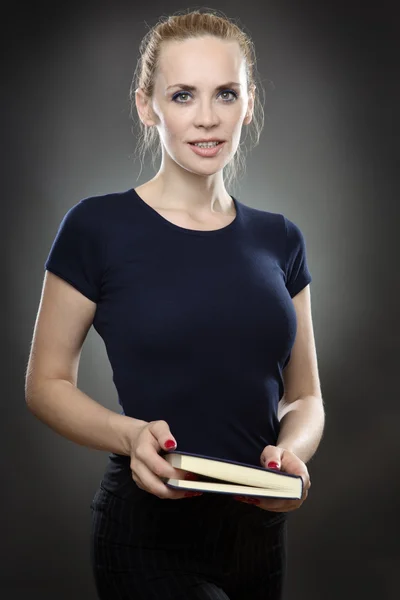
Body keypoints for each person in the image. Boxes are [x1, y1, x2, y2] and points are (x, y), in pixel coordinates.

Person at [25, 8, 325, 600]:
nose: (208, 118)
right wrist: (129, 435)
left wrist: (288, 458)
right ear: (147, 105)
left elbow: (306, 395)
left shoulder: (281, 238)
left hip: (259, 537)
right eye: (183, 95)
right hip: (146, 532)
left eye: (226, 94)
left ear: (248, 102)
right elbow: (46, 382)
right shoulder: (96, 227)